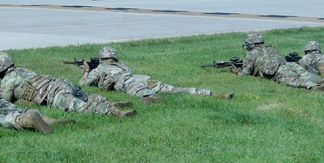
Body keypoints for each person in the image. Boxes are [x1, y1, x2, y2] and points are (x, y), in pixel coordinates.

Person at [0, 52, 136, 118]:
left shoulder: (8, 80)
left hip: (54, 94)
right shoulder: (22, 70)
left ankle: (115, 111)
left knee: (80, 107)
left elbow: (3, 101)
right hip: (62, 83)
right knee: (86, 97)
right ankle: (109, 101)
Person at [80, 47, 232, 102]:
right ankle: (212, 94)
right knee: (172, 89)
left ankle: (153, 99)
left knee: (144, 94)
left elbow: (83, 84)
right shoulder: (122, 64)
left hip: (128, 82)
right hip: (142, 77)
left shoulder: (99, 69)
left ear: (101, 58)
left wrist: (86, 71)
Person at [237, 33, 324, 90]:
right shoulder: (272, 48)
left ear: (250, 44)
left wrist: (237, 72)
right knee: (315, 77)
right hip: (291, 65)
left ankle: (314, 87)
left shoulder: (250, 54)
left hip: (279, 72)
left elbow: (245, 73)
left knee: (295, 81)